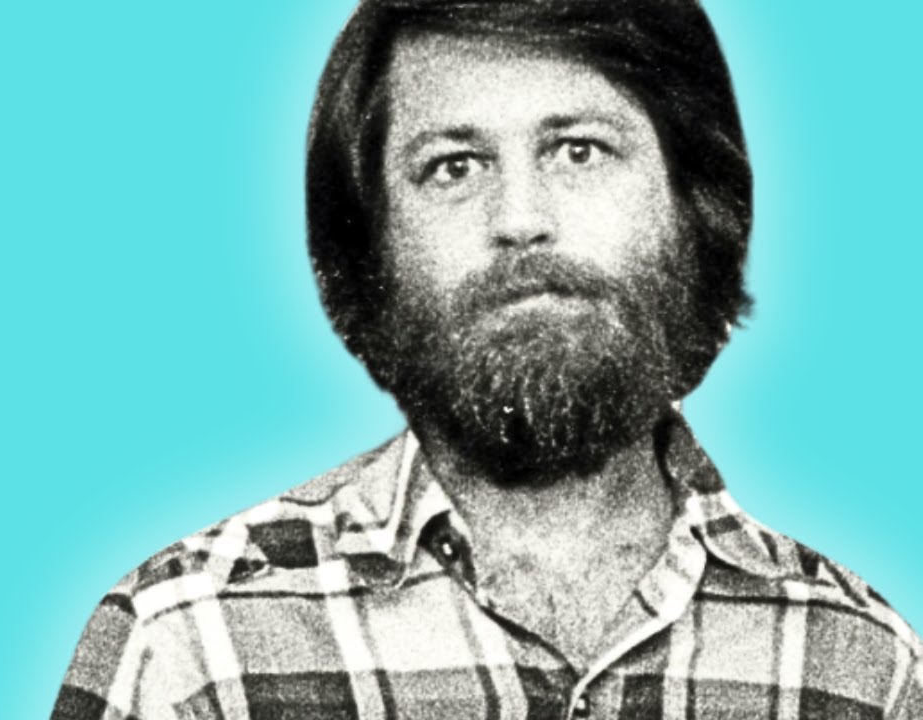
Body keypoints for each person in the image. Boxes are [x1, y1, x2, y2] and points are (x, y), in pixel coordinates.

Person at [52, 1, 923, 717]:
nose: (520, 219)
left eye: (579, 149)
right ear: (368, 248)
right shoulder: (189, 646)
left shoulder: (861, 665)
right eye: (454, 166)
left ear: (695, 209)